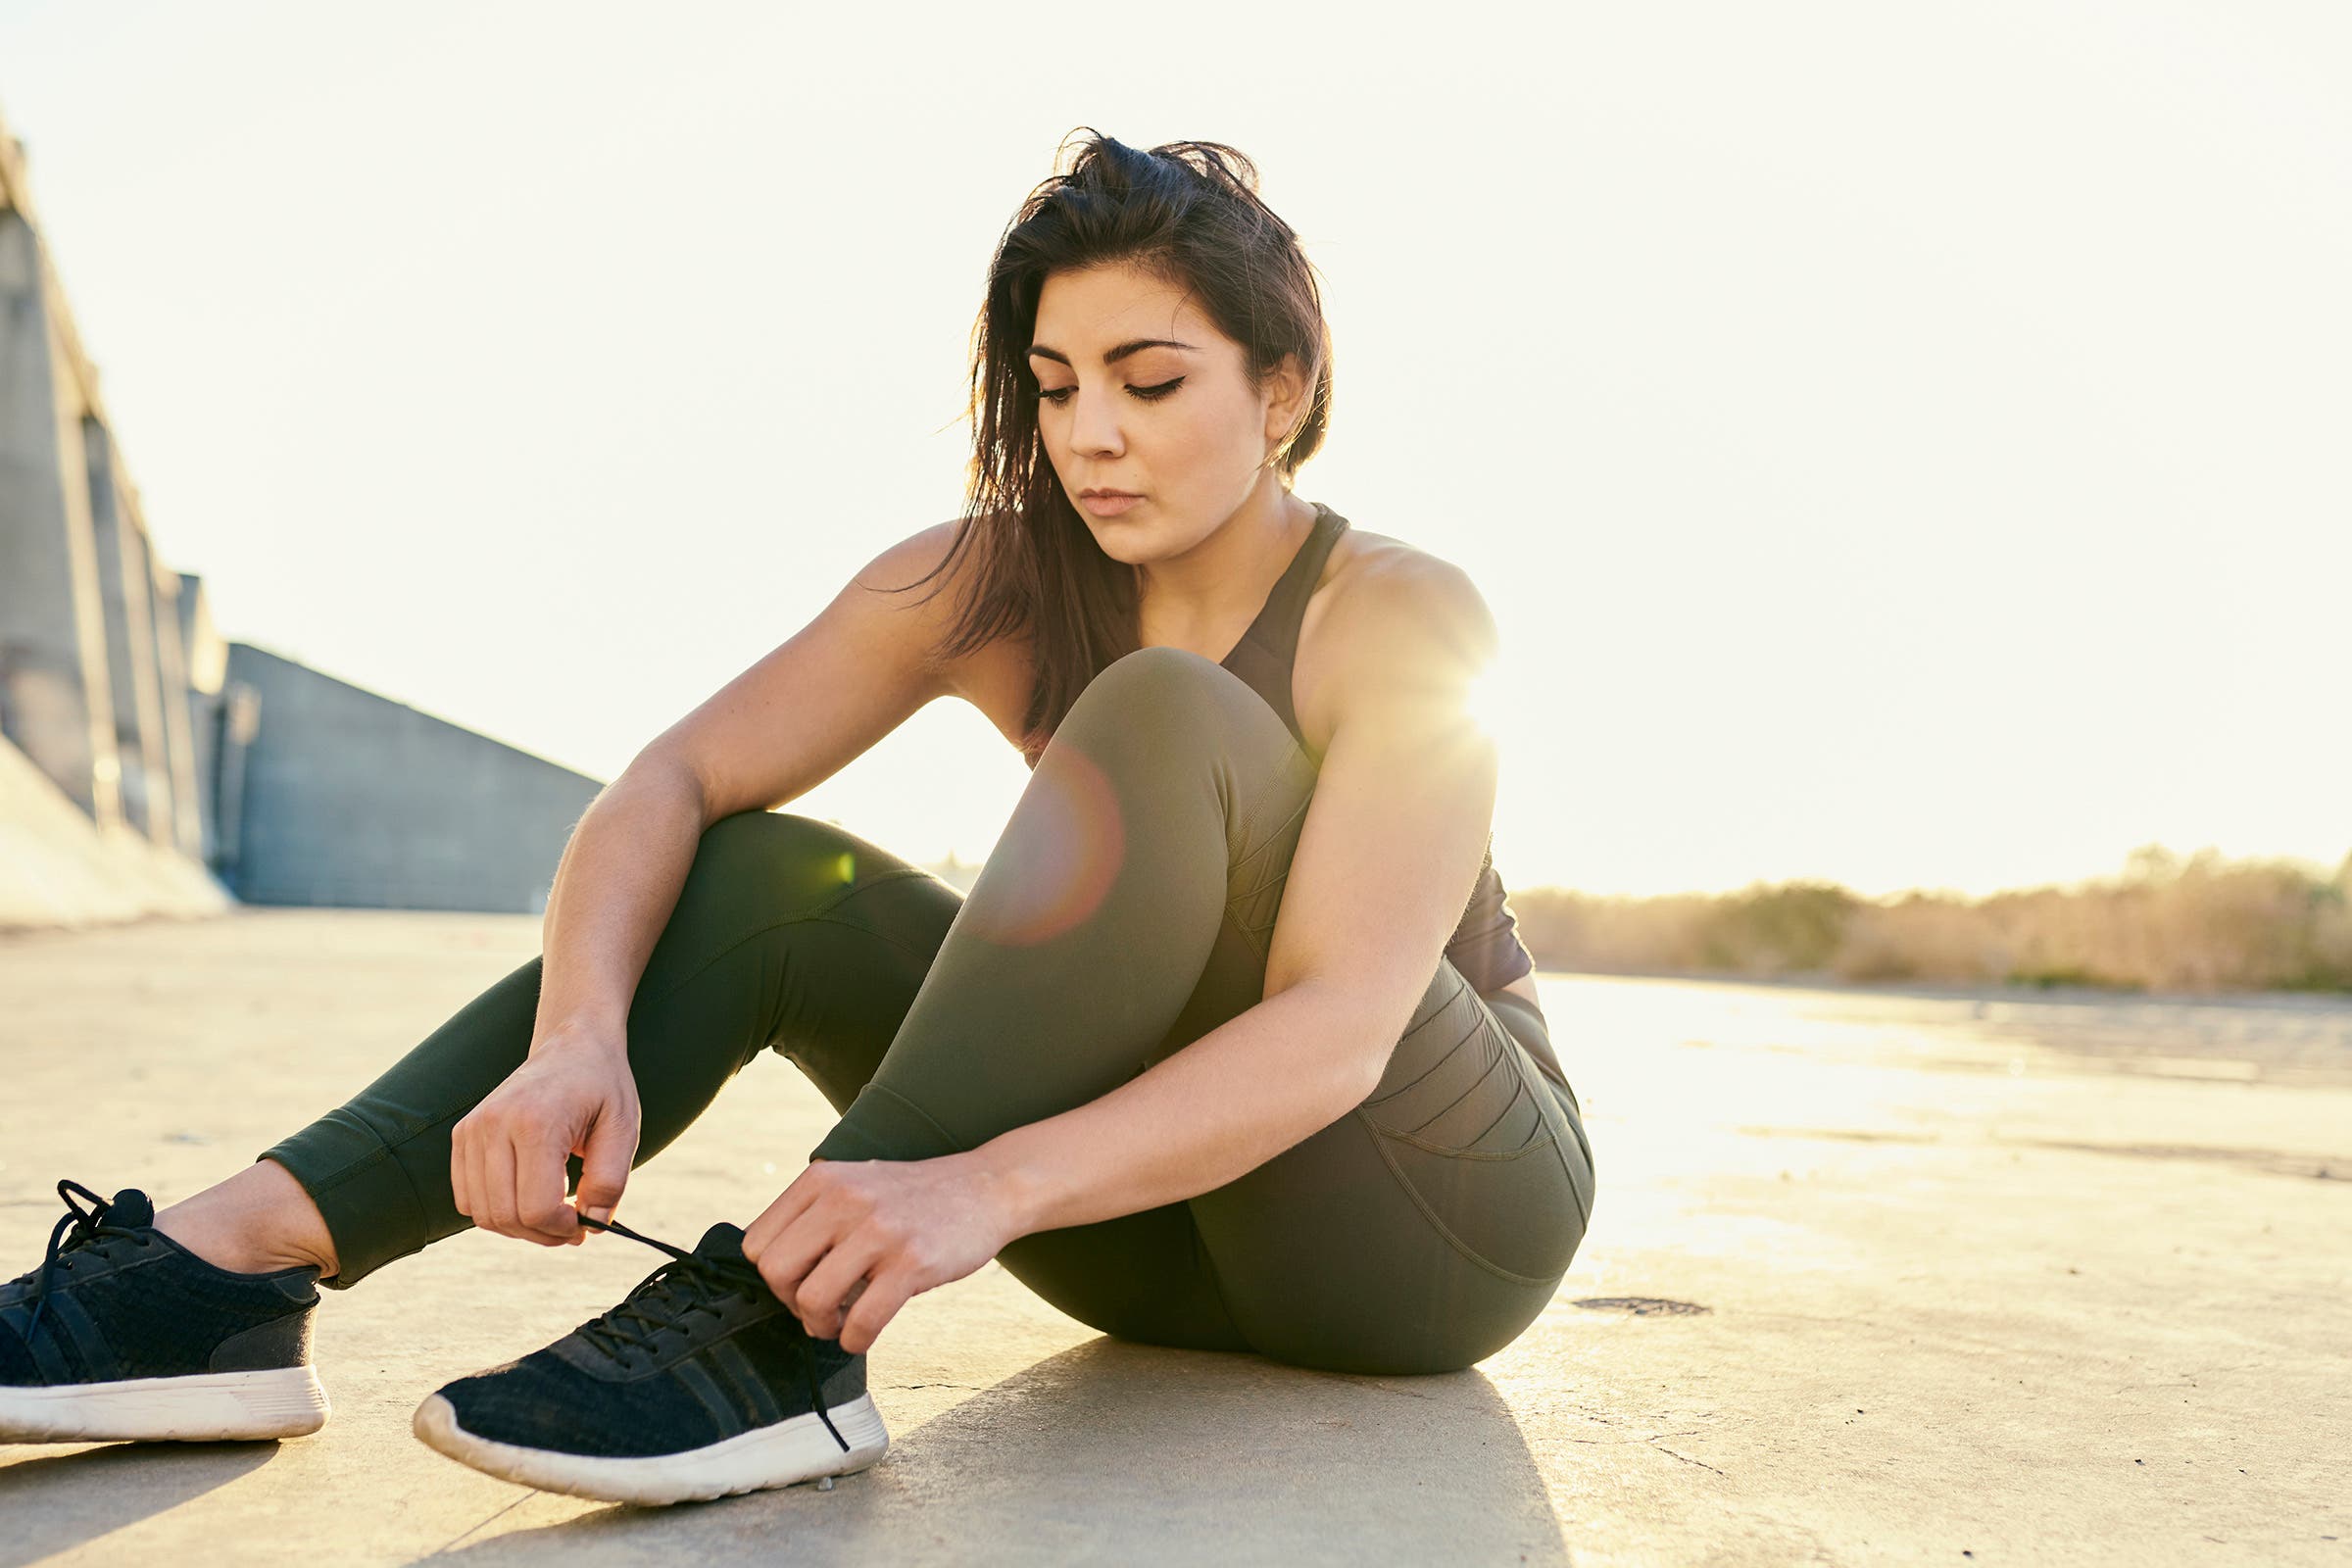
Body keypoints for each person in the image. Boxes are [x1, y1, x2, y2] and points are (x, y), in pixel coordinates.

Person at [0, 132, 1596, 1507]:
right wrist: (578, 1036)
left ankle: (780, 1332)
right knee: (771, 869)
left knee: (1168, 714)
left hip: (1431, 1221)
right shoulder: (989, 581)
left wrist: (979, 1188)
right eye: (1054, 387)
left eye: (1152, 381)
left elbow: (1337, 1031)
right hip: (1160, 1242)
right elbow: (670, 781)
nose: (1091, 434)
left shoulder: (1398, 615)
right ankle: (227, 1273)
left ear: (1285, 387)